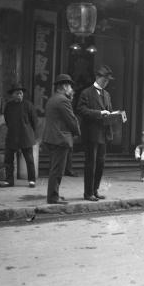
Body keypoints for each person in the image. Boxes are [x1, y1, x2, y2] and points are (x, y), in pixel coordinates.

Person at [77, 65, 116, 201]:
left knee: (100, 163)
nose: (106, 82)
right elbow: (81, 110)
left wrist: (114, 115)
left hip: (103, 134)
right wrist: (100, 113)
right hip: (91, 134)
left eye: (108, 80)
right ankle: (88, 193)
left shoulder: (107, 94)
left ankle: (95, 190)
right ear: (97, 77)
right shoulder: (86, 93)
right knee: (90, 164)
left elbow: (109, 111)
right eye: (105, 79)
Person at [42, 74, 81, 204]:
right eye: (70, 86)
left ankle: (54, 194)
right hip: (60, 139)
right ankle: (53, 197)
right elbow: (71, 120)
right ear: (64, 86)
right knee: (57, 170)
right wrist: (78, 133)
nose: (71, 89)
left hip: (52, 138)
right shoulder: (63, 100)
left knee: (55, 169)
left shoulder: (53, 99)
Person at [0, 83, 38, 188]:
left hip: (26, 135)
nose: (19, 95)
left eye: (21, 93)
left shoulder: (28, 105)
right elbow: (7, 120)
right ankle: (9, 181)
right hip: (12, 135)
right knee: (8, 160)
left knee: (29, 159)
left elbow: (34, 121)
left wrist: (32, 134)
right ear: (12, 95)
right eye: (17, 93)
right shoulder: (9, 106)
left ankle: (32, 180)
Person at [64, 90, 79, 177]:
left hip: (66, 132)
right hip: (66, 133)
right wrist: (76, 132)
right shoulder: (66, 104)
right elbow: (71, 119)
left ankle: (67, 169)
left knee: (68, 152)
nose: (73, 98)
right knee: (68, 152)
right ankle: (68, 170)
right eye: (72, 96)